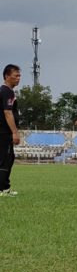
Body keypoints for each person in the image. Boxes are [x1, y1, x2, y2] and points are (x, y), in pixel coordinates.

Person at [0, 64, 21, 197]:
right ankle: (2, 189)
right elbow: (8, 113)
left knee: (9, 157)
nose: (18, 78)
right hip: (4, 132)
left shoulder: (5, 91)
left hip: (3, 131)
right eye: (16, 76)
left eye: (19, 76)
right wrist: (14, 132)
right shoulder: (7, 91)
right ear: (7, 76)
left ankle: (5, 187)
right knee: (5, 159)